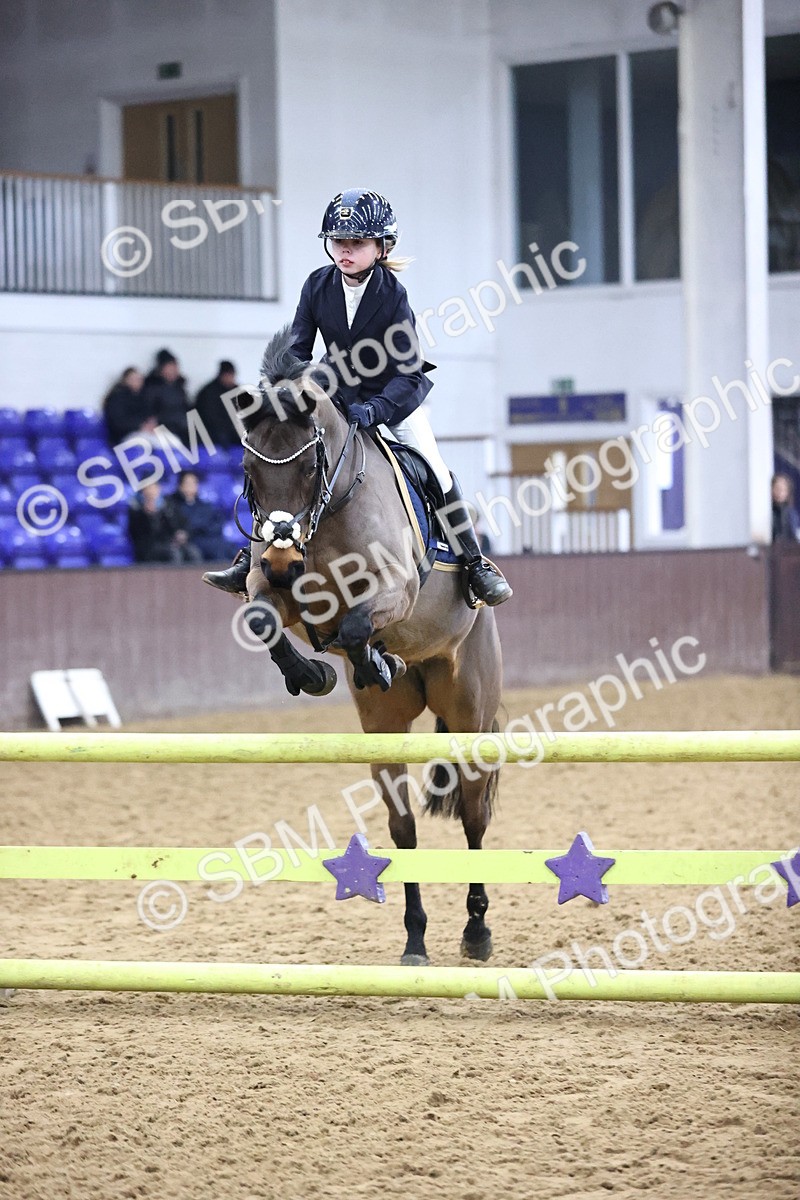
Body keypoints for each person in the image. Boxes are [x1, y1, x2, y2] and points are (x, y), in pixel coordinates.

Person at [204, 189, 512, 606]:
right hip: (335, 394)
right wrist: (285, 393)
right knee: (286, 457)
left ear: (382, 246)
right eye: (338, 242)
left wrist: (376, 410)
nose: (345, 251)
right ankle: (250, 559)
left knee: (437, 471)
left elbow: (407, 372)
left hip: (393, 399)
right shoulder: (317, 284)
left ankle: (475, 565)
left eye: (356, 243)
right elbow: (298, 350)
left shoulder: (391, 294)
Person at [128, 481, 202, 564]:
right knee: (174, 553)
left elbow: (181, 524)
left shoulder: (168, 505)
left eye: (154, 488)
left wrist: (181, 534)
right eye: (148, 488)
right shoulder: (136, 509)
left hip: (170, 542)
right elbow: (136, 534)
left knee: (193, 551)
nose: (151, 492)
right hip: (149, 547)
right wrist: (148, 516)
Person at [164, 470, 226, 562]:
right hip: (191, 540)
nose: (192, 486)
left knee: (225, 547)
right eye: (188, 483)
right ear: (180, 485)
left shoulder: (205, 506)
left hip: (208, 538)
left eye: (194, 483)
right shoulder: (172, 504)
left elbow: (216, 524)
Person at [142, 349, 192, 444]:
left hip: (184, 429)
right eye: (170, 367)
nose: (174, 370)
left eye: (175, 366)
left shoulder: (180, 387)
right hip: (165, 429)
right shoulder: (152, 387)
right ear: (161, 369)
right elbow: (149, 413)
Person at [194, 361, 241, 449]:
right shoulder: (208, 392)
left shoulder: (237, 391)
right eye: (229, 375)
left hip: (232, 430)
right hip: (212, 432)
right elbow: (208, 417)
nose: (231, 378)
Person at [102, 368, 155, 445]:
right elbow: (118, 422)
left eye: (139, 379)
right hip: (123, 436)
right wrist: (140, 426)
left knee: (169, 439)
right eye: (134, 379)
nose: (138, 382)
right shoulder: (117, 397)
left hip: (143, 431)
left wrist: (151, 422)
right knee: (150, 442)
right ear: (125, 380)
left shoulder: (142, 396)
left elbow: (148, 414)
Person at [772, 473, 800, 542]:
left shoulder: (792, 513)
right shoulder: (767, 512)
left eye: (783, 489)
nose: (780, 492)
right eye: (777, 488)